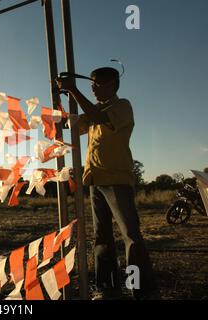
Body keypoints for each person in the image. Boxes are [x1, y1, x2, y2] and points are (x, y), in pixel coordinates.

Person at [57, 67, 158, 300]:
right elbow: (70, 125)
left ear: (112, 83)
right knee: (102, 237)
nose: (92, 88)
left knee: (130, 235)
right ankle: (107, 288)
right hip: (95, 180)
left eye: (96, 83)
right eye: (90, 84)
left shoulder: (121, 106)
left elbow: (97, 117)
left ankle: (142, 290)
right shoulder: (93, 111)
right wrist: (58, 102)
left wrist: (72, 89)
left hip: (117, 180)